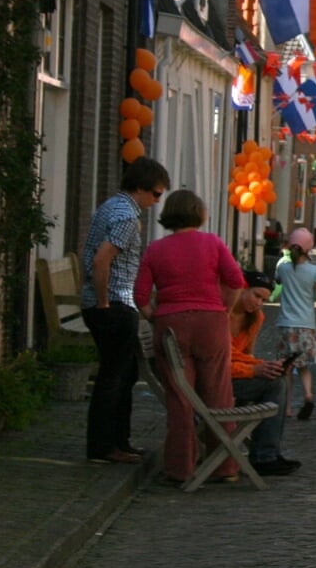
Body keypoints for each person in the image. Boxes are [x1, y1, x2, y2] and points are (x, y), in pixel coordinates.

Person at [135, 190, 247, 485]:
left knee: (179, 397)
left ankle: (180, 468)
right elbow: (236, 280)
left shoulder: (156, 249)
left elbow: (141, 296)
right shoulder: (212, 243)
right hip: (210, 322)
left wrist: (154, 317)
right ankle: (224, 466)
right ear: (200, 213)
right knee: (218, 393)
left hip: (171, 324)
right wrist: (225, 309)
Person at [80, 156, 169, 464]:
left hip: (109, 302)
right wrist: (105, 303)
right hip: (115, 304)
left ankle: (117, 442)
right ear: (142, 188)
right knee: (115, 378)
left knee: (123, 374)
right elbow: (101, 260)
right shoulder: (127, 217)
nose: (156, 202)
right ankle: (106, 446)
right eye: (156, 194)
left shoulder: (109, 206)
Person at [227, 270, 301, 477]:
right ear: (242, 289)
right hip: (219, 380)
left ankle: (267, 454)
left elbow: (244, 355)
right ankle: (264, 456)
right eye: (256, 296)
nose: (259, 303)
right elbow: (222, 360)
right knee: (276, 384)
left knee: (276, 377)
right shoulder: (222, 314)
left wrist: (263, 366)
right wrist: (255, 368)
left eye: (264, 299)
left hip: (235, 374)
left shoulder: (255, 317)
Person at [271, 227, 316, 420]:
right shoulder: (315, 271)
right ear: (309, 249)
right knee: (304, 365)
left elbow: (277, 282)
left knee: (287, 368)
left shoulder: (283, 268)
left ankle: (288, 406)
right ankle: (308, 394)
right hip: (306, 324)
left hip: (286, 324)